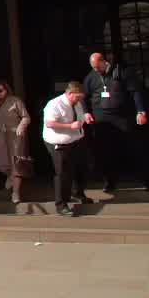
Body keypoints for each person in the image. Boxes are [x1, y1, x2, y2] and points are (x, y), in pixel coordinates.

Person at [82, 53, 149, 193]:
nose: (96, 70)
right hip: (101, 119)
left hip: (122, 117)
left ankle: (146, 180)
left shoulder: (121, 72)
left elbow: (136, 92)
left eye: (97, 67)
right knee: (105, 152)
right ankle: (109, 182)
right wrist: (86, 112)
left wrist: (141, 111)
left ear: (103, 61)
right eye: (93, 67)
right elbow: (84, 97)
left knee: (134, 148)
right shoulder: (91, 77)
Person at [44, 81, 91, 217]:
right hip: (59, 142)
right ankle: (61, 205)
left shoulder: (77, 103)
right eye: (77, 97)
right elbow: (49, 123)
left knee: (81, 167)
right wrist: (69, 126)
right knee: (63, 173)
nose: (79, 100)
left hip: (76, 139)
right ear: (69, 94)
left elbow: (79, 117)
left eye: (81, 98)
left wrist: (85, 118)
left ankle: (78, 193)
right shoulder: (55, 104)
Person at [0, 80, 31, 203]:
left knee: (16, 164)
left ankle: (15, 193)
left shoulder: (15, 101)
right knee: (2, 164)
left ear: (6, 90)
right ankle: (10, 176)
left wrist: (21, 127)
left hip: (14, 136)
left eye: (0, 90)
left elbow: (26, 117)